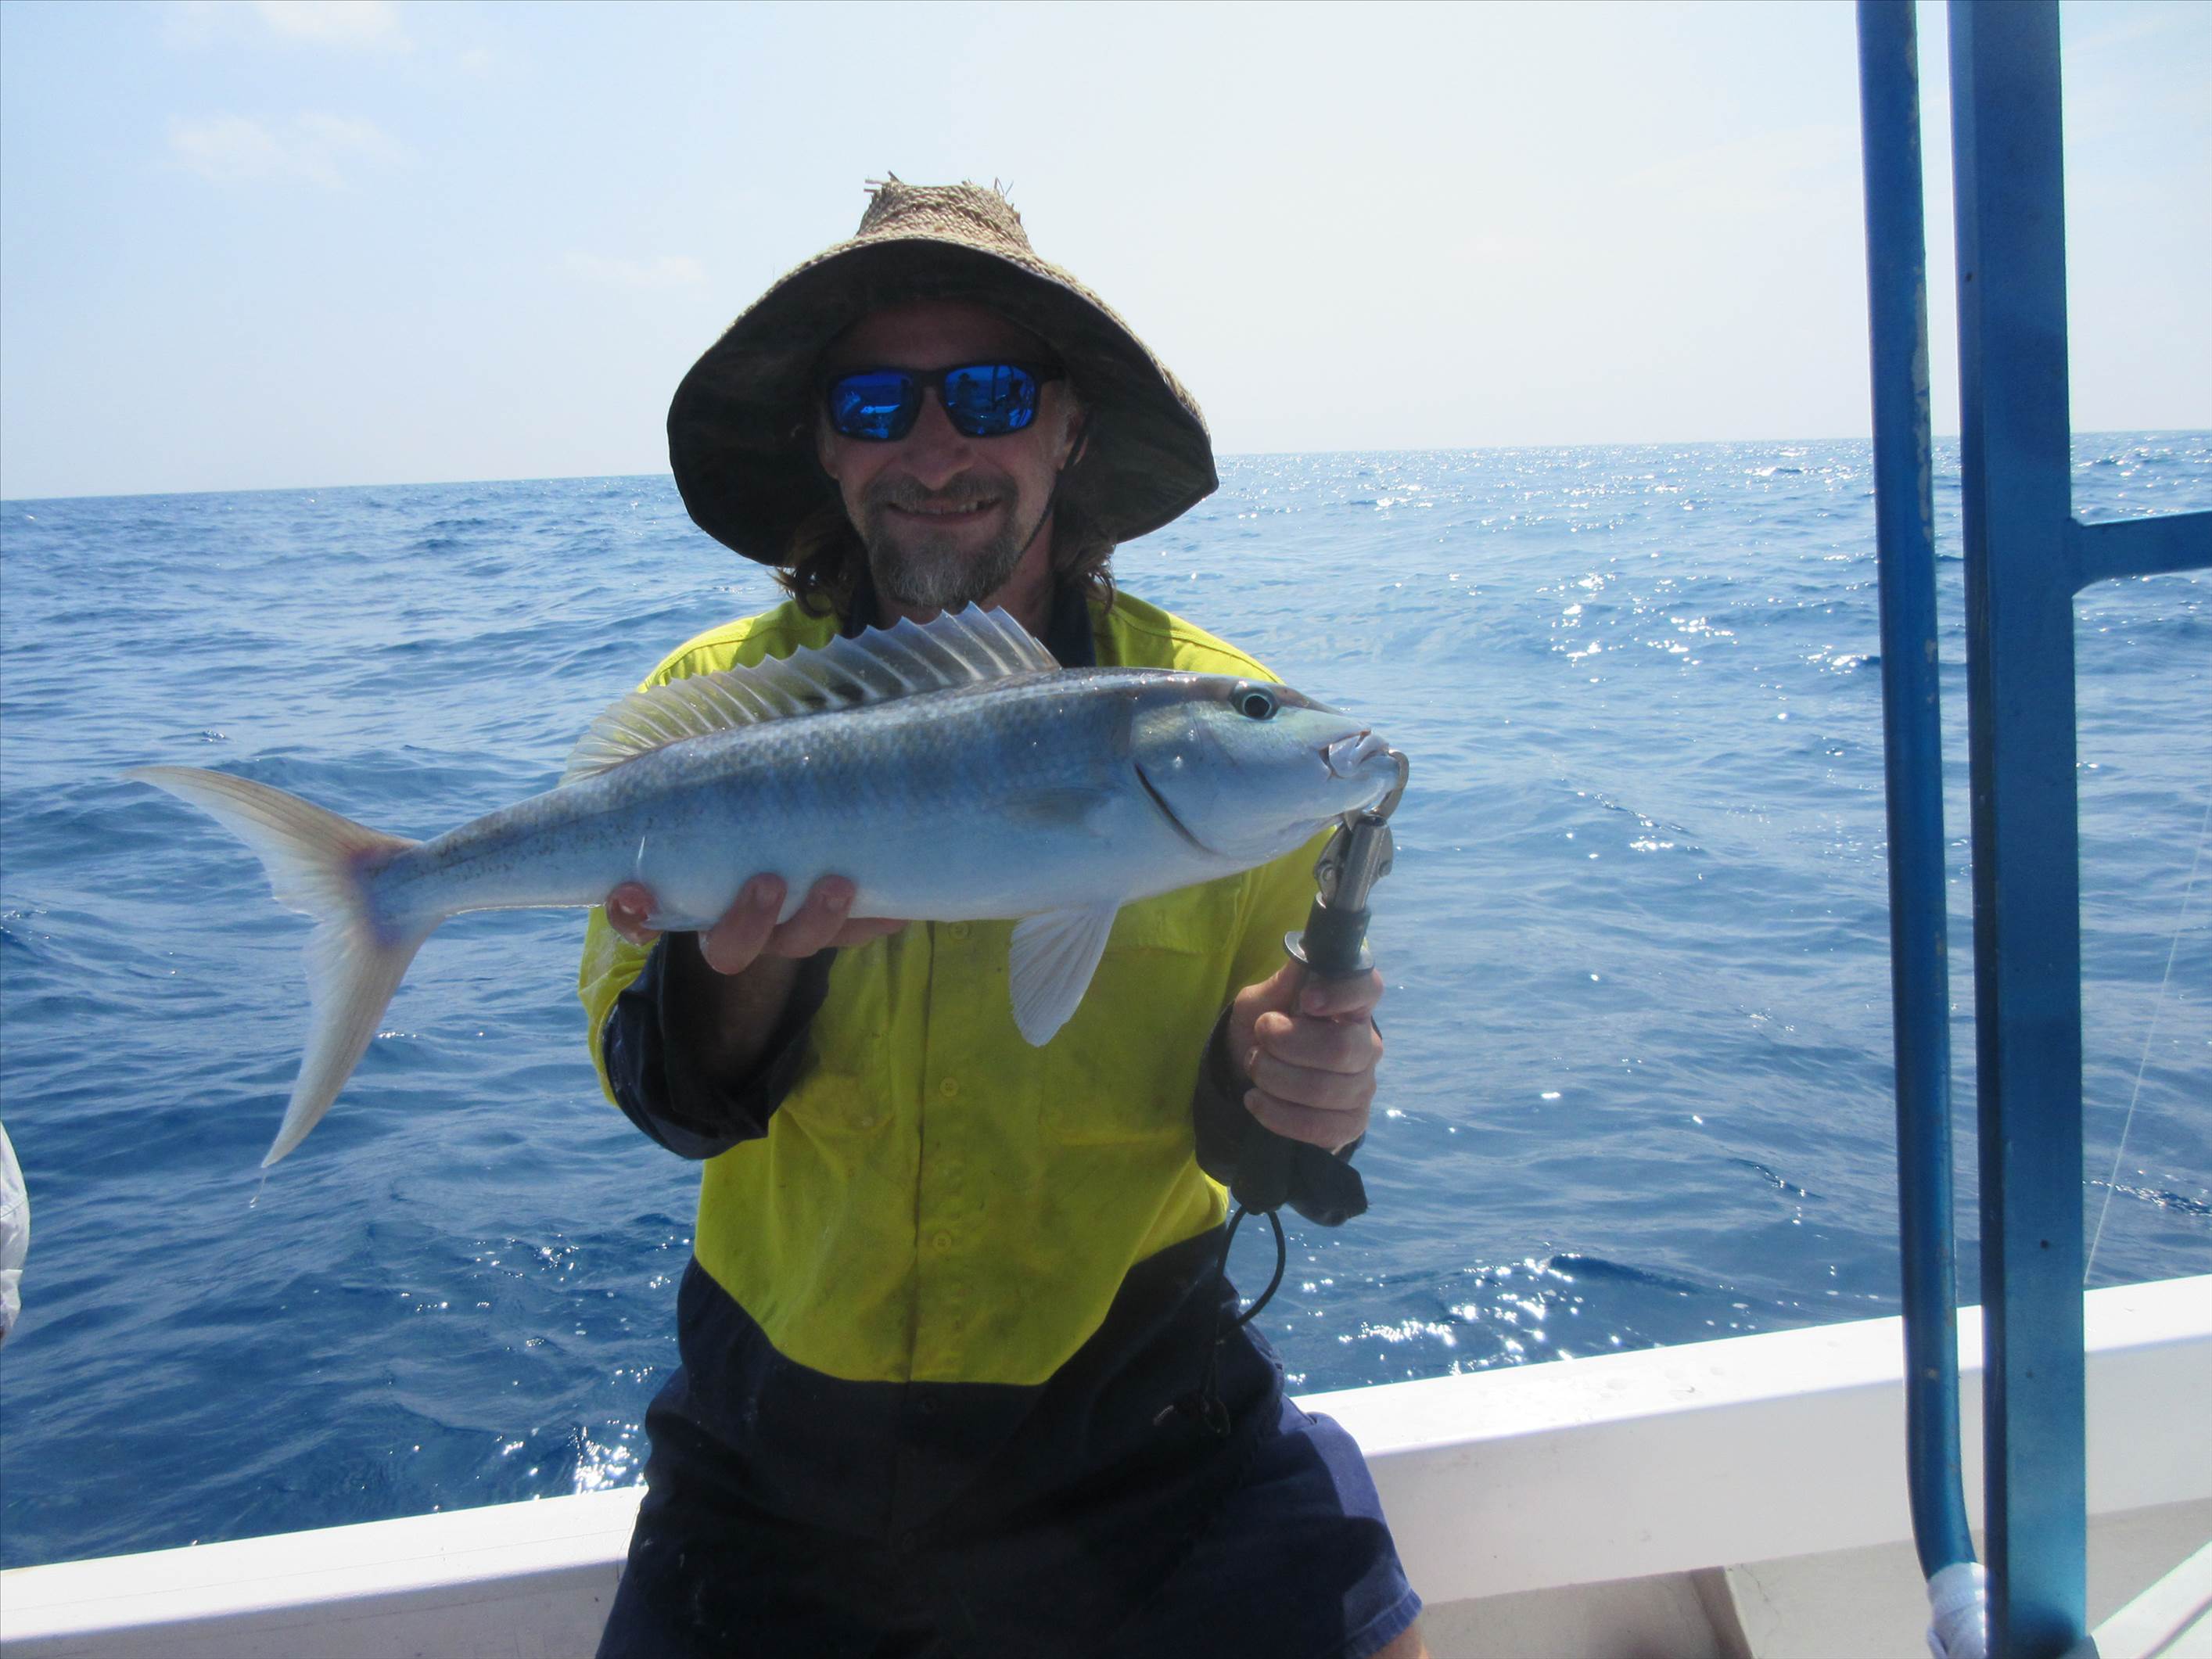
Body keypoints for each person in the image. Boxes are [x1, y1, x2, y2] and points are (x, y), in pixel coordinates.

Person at [580, 178, 1425, 1659]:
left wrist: (1285, 1079)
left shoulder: (1222, 726)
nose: (935, 449)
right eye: (875, 401)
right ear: (824, 440)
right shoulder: (700, 719)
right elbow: (667, 1095)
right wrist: (739, 984)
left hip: (1141, 1431)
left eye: (985, 393)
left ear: (1067, 427)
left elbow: (1262, 1132)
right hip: (776, 1449)